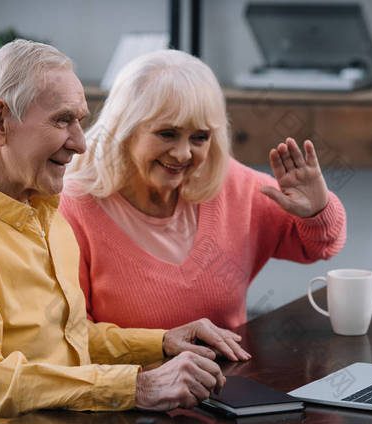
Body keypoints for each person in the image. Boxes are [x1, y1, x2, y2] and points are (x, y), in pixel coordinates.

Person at [0, 40, 247, 424]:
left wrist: (162, 343)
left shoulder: (43, 212)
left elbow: (64, 340)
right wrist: (136, 386)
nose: (80, 143)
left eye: (80, 121)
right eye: (62, 121)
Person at [59, 49, 347, 331]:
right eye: (167, 134)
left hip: (230, 376)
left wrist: (317, 210)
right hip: (133, 380)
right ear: (125, 129)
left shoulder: (232, 183)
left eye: (200, 137)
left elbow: (320, 246)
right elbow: (73, 336)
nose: (183, 154)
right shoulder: (73, 207)